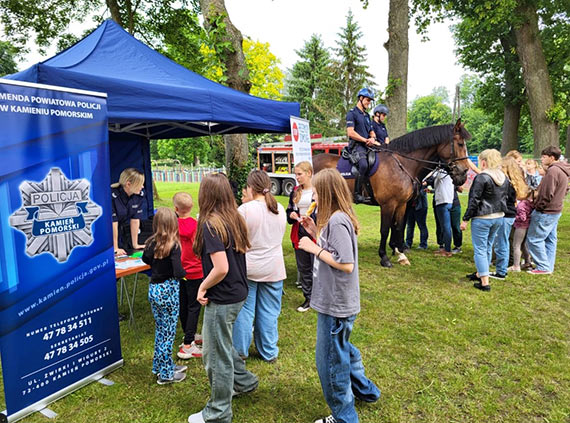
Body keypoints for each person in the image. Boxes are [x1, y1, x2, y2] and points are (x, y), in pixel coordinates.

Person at [297, 168, 380, 423]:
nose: (313, 198)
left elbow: (346, 263)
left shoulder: (337, 220)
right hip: (334, 302)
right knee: (342, 350)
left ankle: (344, 417)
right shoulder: (333, 219)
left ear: (327, 193)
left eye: (316, 194)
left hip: (336, 305)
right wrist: (314, 233)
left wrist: (313, 248)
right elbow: (333, 248)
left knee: (330, 362)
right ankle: (367, 391)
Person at [188, 173, 258, 423]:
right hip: (238, 291)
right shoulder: (234, 217)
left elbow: (221, 268)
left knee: (214, 355)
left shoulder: (210, 224)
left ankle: (218, 412)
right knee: (222, 343)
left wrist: (202, 288)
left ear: (206, 195)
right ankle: (244, 382)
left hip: (224, 295)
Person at [232, 170, 286, 363]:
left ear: (250, 188)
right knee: (270, 311)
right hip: (274, 266)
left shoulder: (244, 210)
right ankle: (269, 351)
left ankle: (240, 350)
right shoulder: (279, 207)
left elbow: (237, 240)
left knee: (245, 310)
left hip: (250, 266)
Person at [142, 207, 187, 384]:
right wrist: (185, 273)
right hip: (168, 290)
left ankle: (161, 365)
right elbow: (177, 271)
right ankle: (166, 374)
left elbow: (146, 259)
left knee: (160, 329)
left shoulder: (151, 243)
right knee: (168, 333)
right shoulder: (174, 246)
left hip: (154, 289)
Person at [461, 149, 509, 292]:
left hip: (482, 218)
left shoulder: (482, 177)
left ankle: (484, 282)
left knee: (480, 250)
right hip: (498, 216)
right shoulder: (503, 177)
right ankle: (480, 273)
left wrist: (465, 219)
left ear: (483, 162)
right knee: (487, 247)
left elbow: (474, 200)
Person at [526, 146, 570, 275]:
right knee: (551, 239)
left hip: (546, 211)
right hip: (556, 210)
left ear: (552, 157)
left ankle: (543, 266)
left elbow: (546, 193)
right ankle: (547, 265)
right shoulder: (563, 170)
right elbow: (566, 189)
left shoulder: (553, 171)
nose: (542, 159)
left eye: (544, 157)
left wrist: (538, 206)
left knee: (534, 239)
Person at [173, 192, 204, 360]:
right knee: (194, 306)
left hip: (180, 270)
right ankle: (188, 344)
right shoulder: (196, 225)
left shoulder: (172, 225)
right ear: (192, 207)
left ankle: (188, 334)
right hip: (195, 271)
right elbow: (199, 247)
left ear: (175, 209)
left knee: (183, 304)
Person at [491, 156, 528, 279]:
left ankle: (501, 271)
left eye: (501, 166)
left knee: (501, 243)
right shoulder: (514, 182)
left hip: (505, 215)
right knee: (503, 241)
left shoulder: (506, 184)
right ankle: (502, 267)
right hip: (510, 215)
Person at [286, 161, 316, 313]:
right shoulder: (295, 191)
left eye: (299, 174)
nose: (297, 177)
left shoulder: (318, 191)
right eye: (295, 174)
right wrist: (291, 215)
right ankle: (309, 297)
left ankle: (319, 297)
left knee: (317, 265)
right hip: (299, 232)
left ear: (309, 173)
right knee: (304, 267)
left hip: (315, 232)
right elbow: (289, 211)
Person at [346, 87, 380, 203]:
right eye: (367, 100)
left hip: (367, 145)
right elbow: (350, 132)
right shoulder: (352, 113)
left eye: (370, 101)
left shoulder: (367, 116)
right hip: (356, 146)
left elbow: (372, 131)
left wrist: (372, 138)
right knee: (364, 165)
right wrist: (365, 140)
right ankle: (357, 194)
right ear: (360, 98)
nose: (369, 103)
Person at [111, 168, 146, 255]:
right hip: (107, 232)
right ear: (128, 184)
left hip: (121, 230)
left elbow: (135, 220)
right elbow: (113, 222)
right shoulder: (112, 196)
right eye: (140, 184)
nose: (142, 187)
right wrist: (115, 248)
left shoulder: (138, 196)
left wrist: (135, 244)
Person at [509, 189, 535, 272]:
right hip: (528, 226)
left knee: (516, 245)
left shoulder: (522, 205)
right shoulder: (532, 204)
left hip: (520, 226)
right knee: (524, 245)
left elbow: (522, 218)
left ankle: (516, 265)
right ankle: (528, 262)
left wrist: (514, 217)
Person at [433, 169, 455, 257]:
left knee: (445, 227)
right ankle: (446, 248)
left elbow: (433, 175)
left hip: (443, 201)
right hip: (447, 201)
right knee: (445, 227)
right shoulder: (448, 173)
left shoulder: (442, 172)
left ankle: (447, 250)